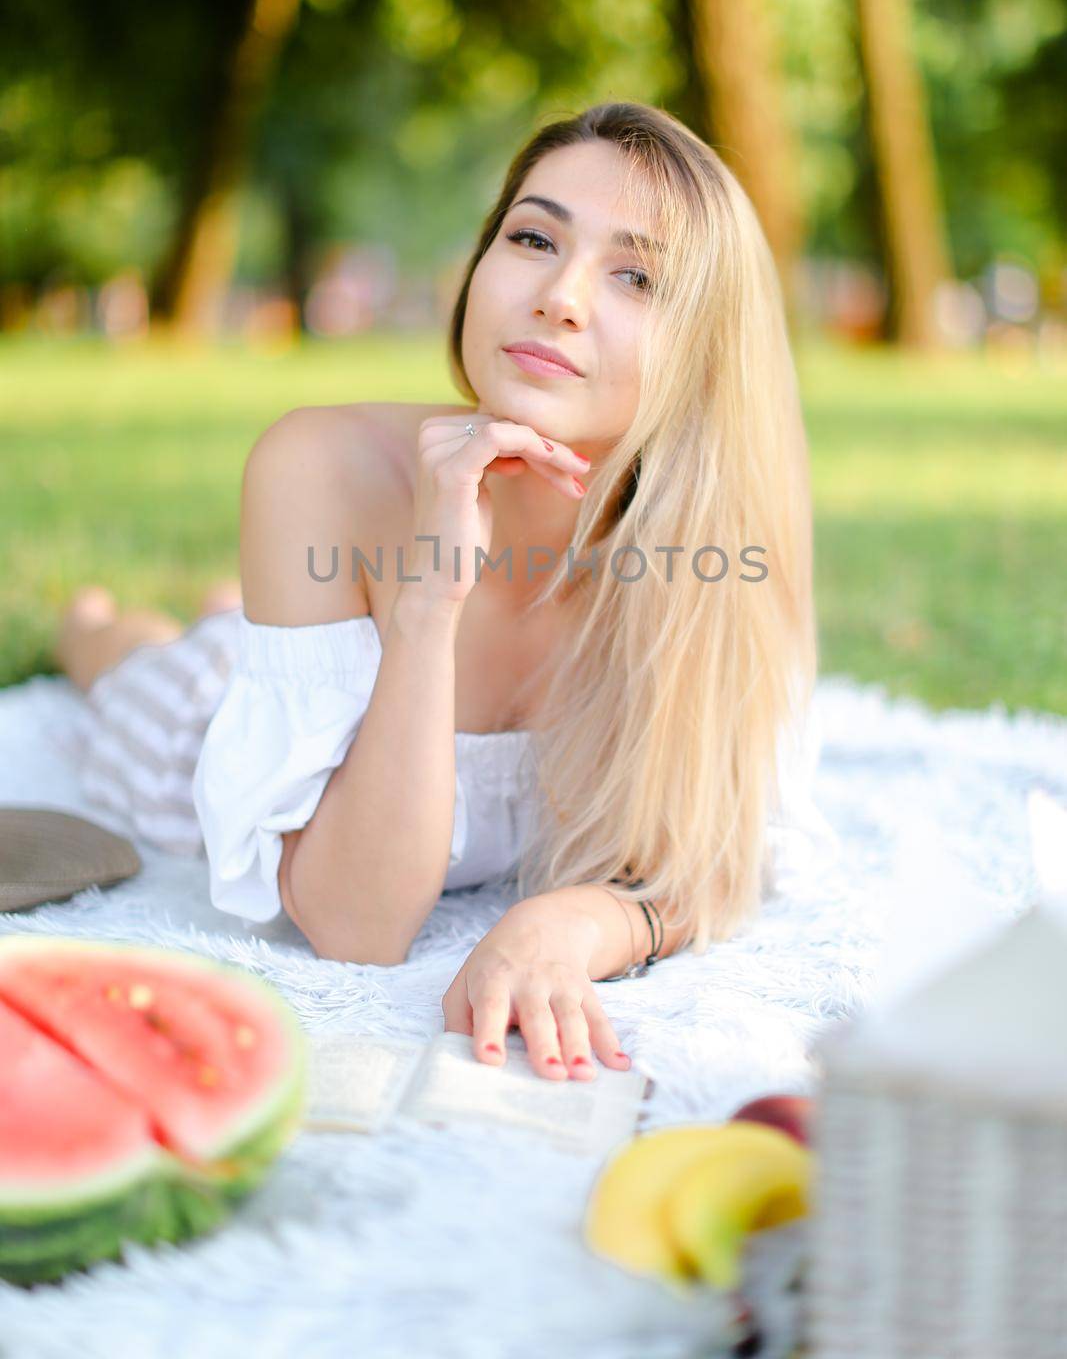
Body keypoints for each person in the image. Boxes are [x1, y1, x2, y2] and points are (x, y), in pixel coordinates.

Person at [56, 101, 828, 1084]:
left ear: (708, 347)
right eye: (533, 236)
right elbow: (355, 928)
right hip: (204, 717)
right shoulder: (323, 462)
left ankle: (227, 610)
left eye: (635, 274)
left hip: (321, 626)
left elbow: (719, 859)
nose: (560, 295)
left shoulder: (711, 552)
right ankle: (105, 625)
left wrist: (570, 920)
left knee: (222, 621)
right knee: (139, 665)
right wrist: (422, 606)